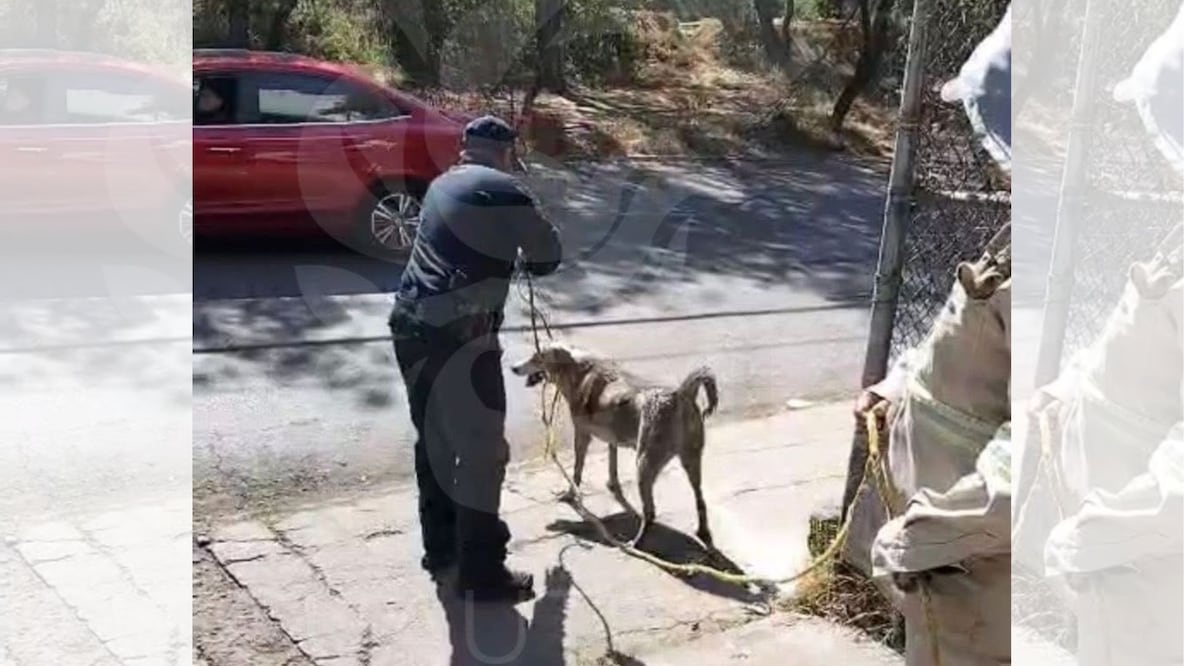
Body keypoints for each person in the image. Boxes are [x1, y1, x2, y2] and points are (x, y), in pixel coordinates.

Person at [844, 6, 1013, 665]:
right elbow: (960, 339)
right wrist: (894, 385)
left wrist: (935, 531)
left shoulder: (1075, 266)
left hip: (975, 567)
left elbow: (1054, 433)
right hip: (943, 561)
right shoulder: (1027, 230)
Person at [390, 115, 562, 603]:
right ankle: (482, 574)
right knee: (484, 454)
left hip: (409, 325)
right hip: (464, 339)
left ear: (465, 149)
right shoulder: (508, 190)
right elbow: (549, 257)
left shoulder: (441, 184)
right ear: (507, 152)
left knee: (436, 441)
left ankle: (441, 550)